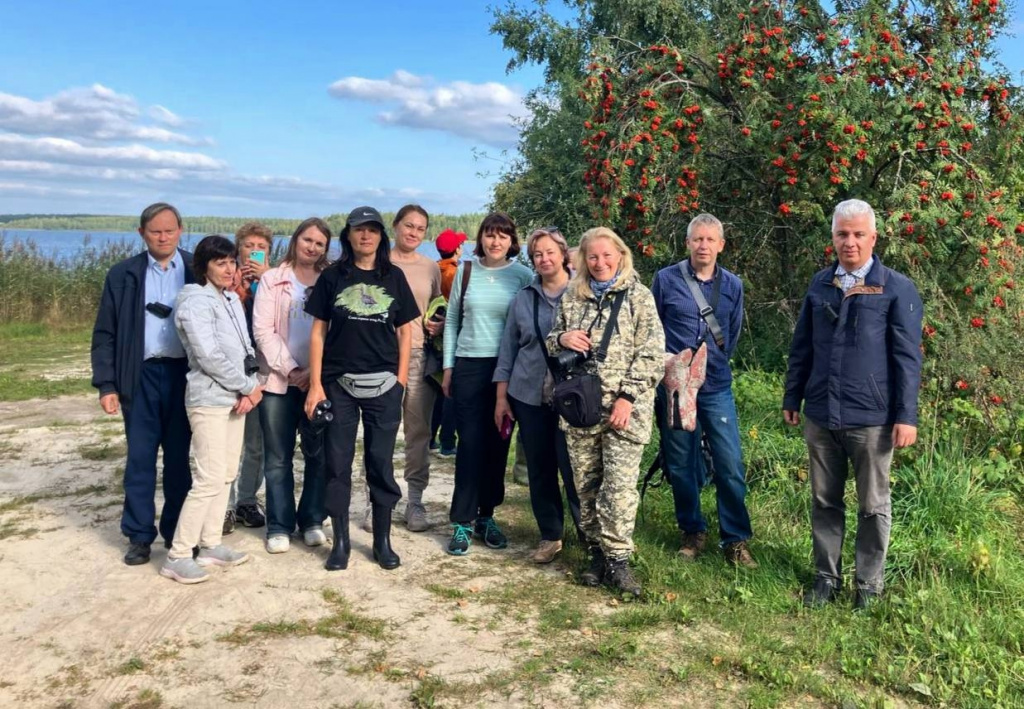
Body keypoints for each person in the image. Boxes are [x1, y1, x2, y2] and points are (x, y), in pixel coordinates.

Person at [783, 199, 923, 610]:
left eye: (859, 234)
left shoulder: (895, 287)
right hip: (821, 413)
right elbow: (802, 346)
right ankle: (826, 578)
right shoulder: (820, 284)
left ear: (873, 238)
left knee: (872, 507)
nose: (850, 242)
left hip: (872, 419)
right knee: (824, 501)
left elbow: (907, 359)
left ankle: (868, 586)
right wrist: (793, 395)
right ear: (833, 238)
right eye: (843, 234)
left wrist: (906, 416)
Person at [546, 226, 664, 597]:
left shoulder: (639, 297)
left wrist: (628, 396)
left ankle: (619, 560)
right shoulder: (572, 296)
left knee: (619, 487)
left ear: (620, 256)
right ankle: (596, 554)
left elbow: (652, 353)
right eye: (593, 256)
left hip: (625, 411)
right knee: (586, 485)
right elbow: (551, 342)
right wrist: (562, 338)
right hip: (582, 409)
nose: (600, 263)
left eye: (607, 255)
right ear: (583, 259)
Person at [304, 206, 419, 572]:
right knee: (337, 463)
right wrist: (316, 386)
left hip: (384, 385)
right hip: (338, 384)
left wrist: (400, 382)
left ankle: (382, 541)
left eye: (372, 229)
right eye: (359, 229)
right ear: (349, 235)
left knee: (380, 463)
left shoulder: (394, 277)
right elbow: (318, 333)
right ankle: (341, 543)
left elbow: (405, 332)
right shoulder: (332, 277)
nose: (365, 235)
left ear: (381, 236)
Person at [650, 213, 757, 568]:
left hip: (716, 386)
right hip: (676, 388)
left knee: (730, 462)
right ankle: (692, 531)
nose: (703, 246)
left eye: (710, 239)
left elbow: (732, 333)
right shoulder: (666, 279)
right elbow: (653, 331)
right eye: (697, 239)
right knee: (681, 461)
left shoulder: (733, 285)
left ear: (721, 245)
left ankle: (735, 539)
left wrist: (712, 361)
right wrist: (669, 367)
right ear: (687, 243)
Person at [91, 202, 194, 566]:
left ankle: (177, 532)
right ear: (141, 233)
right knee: (140, 458)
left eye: (169, 230)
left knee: (179, 460)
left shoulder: (197, 270)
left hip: (184, 376)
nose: (163, 237)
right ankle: (138, 535)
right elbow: (105, 333)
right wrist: (106, 385)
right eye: (155, 231)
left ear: (181, 230)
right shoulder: (123, 274)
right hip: (140, 376)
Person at [162, 235, 261, 583]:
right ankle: (178, 554)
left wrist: (251, 386)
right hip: (208, 399)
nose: (229, 269)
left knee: (227, 474)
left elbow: (246, 347)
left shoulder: (231, 299)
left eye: (232, 262)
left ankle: (210, 544)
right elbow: (209, 356)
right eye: (221, 263)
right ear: (204, 267)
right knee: (208, 478)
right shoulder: (194, 302)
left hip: (236, 398)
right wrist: (247, 386)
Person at [442, 212, 534, 555]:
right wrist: (449, 367)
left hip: (507, 369)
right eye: (490, 235)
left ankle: (487, 515)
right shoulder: (466, 271)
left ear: (512, 242)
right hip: (468, 365)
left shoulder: (523, 276)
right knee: (469, 444)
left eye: (503, 236)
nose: (496, 242)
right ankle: (462, 520)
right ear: (480, 238)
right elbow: (452, 321)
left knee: (498, 444)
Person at [493, 227, 583, 564]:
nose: (544, 259)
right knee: (540, 469)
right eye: (537, 254)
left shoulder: (583, 293)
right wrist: (502, 398)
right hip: (529, 394)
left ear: (563, 254)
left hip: (574, 397)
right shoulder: (523, 299)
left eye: (549, 252)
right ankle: (550, 535)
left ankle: (588, 534)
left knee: (576, 469)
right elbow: (508, 350)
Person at [253, 218, 331, 553]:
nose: (312, 247)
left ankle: (312, 519)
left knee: (319, 454)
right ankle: (280, 524)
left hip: (318, 382)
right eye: (307, 240)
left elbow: (336, 331)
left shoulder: (331, 280)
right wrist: (293, 369)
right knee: (277, 457)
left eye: (319, 243)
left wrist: (313, 372)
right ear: (296, 239)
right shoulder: (272, 279)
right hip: (278, 382)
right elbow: (263, 331)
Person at [388, 205, 443, 533]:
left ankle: (415, 500)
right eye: (408, 225)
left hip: (420, 355)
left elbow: (437, 305)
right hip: (382, 357)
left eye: (420, 228)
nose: (413, 232)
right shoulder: (378, 262)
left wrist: (438, 323)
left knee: (418, 431)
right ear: (395, 226)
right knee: (381, 430)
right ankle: (378, 499)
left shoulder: (430, 267)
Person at [224, 222, 273, 535]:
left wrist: (265, 279)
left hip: (261, 371)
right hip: (229, 371)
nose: (254, 251)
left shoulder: (275, 280)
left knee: (257, 443)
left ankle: (246, 500)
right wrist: (236, 287)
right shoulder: (224, 279)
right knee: (227, 442)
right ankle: (224, 506)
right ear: (237, 249)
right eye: (248, 245)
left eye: (261, 247)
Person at [429, 228, 465, 456]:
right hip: (450, 338)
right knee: (451, 391)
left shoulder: (433, 269)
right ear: (457, 249)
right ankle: (448, 441)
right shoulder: (455, 273)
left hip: (433, 340)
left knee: (437, 391)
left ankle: (430, 438)